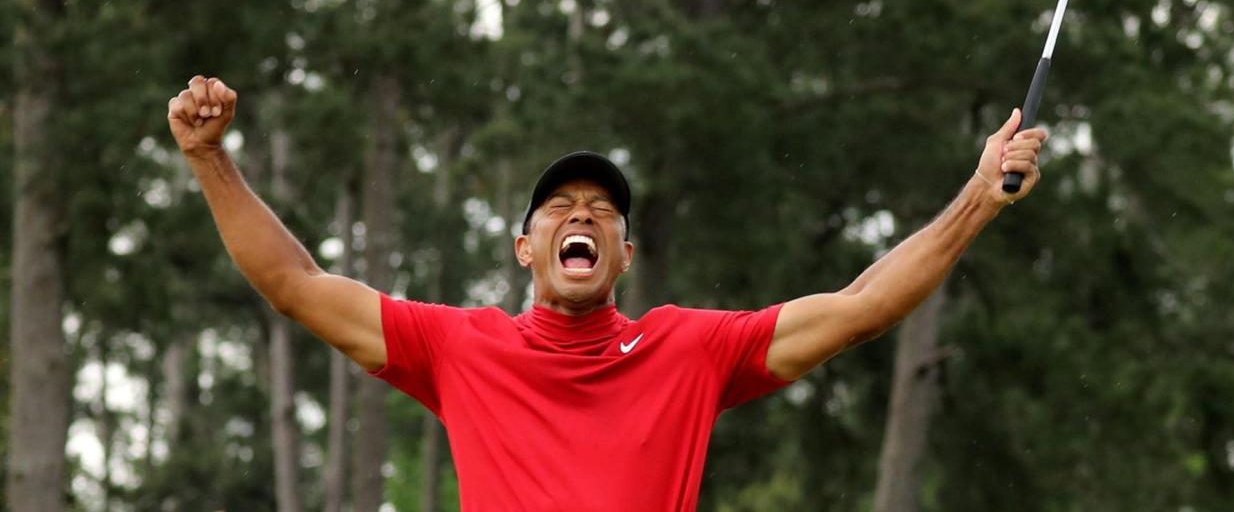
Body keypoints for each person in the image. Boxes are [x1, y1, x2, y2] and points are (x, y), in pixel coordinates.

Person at [167, 74, 1046, 511]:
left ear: (623, 253)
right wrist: (209, 157)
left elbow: (860, 309)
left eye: (601, 212)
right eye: (559, 208)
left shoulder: (692, 349)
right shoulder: (459, 347)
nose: (579, 217)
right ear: (525, 247)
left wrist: (976, 199)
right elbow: (294, 284)